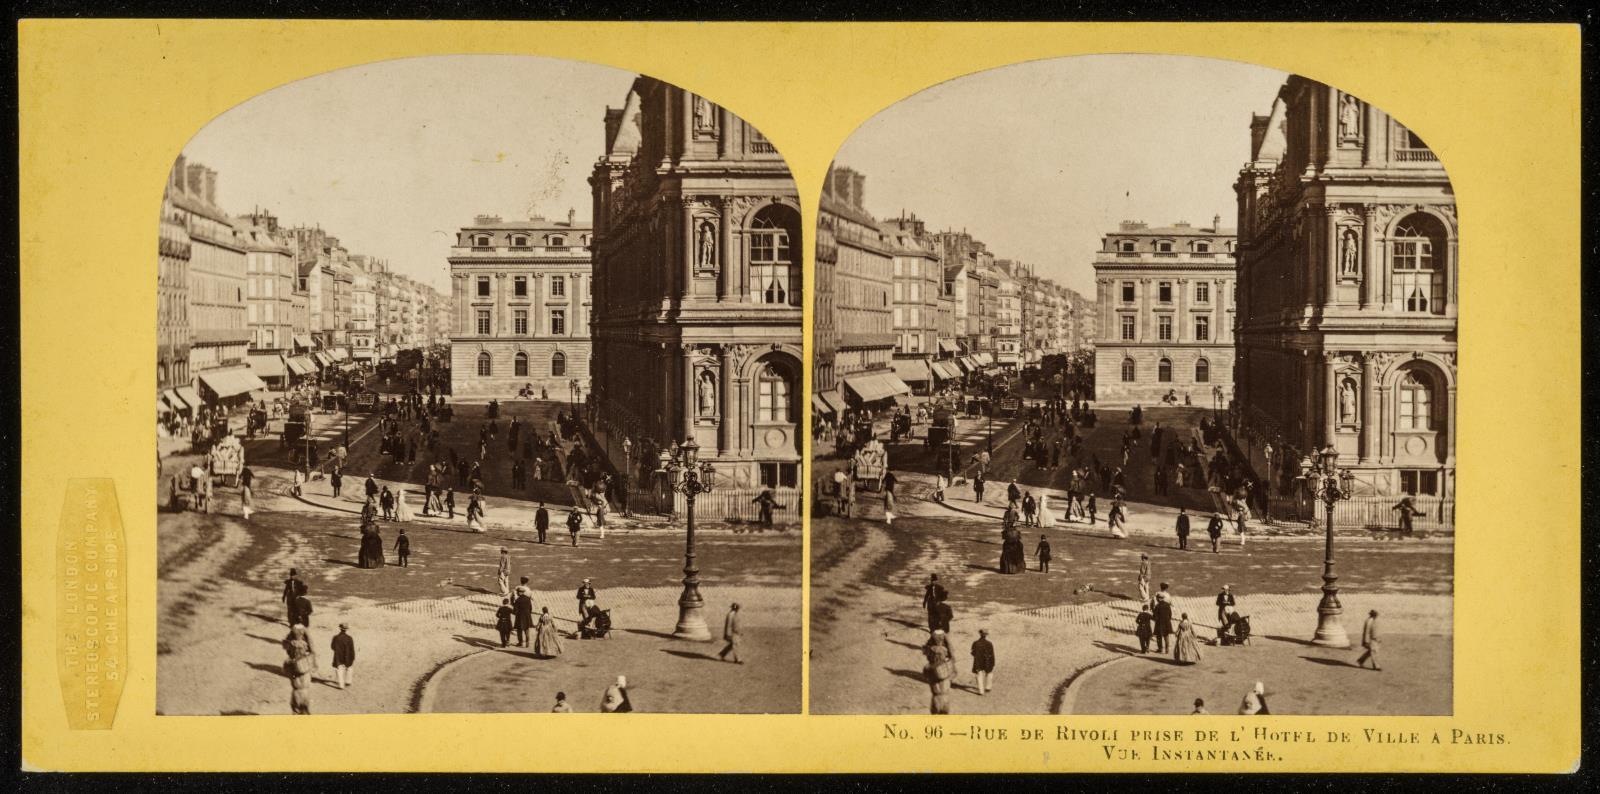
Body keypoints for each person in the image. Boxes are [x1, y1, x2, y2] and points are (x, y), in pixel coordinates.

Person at [282, 624, 315, 715]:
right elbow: (312, 650)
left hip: (295, 675)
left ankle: (297, 711)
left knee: (296, 689)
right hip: (305, 671)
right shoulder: (305, 646)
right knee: (304, 689)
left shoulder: (291, 645)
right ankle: (304, 710)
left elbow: (286, 648)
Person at [923, 630, 955, 714]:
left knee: (935, 693)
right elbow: (951, 652)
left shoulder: (931, 649)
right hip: (945, 676)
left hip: (934, 678)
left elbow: (925, 652)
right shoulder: (944, 650)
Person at [330, 623, 356, 690]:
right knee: (349, 668)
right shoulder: (349, 638)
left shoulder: (335, 637)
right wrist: (352, 657)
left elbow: (332, 647)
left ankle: (341, 685)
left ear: (340, 629)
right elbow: (352, 649)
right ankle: (348, 681)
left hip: (338, 656)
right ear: (346, 629)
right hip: (348, 656)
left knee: (339, 670)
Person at [970, 628, 995, 696]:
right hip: (987, 661)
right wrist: (992, 663)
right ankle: (988, 687)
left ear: (980, 634)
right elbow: (992, 654)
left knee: (979, 675)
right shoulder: (989, 644)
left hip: (978, 661)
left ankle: (981, 691)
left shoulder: (975, 643)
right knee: (989, 673)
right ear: (986, 635)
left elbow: (972, 653)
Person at [513, 581, 535, 648]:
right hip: (527, 616)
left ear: (520, 592)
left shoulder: (517, 600)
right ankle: (527, 643)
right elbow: (530, 608)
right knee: (527, 630)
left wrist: (514, 612)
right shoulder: (528, 599)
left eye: (517, 592)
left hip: (520, 617)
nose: (517, 593)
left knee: (519, 630)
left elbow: (515, 610)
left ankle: (520, 642)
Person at [1152, 588, 1174, 653]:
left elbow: (1155, 616)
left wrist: (1154, 619)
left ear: (1159, 598)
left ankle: (1160, 649)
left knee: (1159, 637)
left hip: (1159, 623)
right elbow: (1170, 614)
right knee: (1166, 636)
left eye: (1157, 598)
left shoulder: (1157, 606)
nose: (1156, 599)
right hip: (1167, 623)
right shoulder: (1167, 605)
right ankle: (1167, 650)